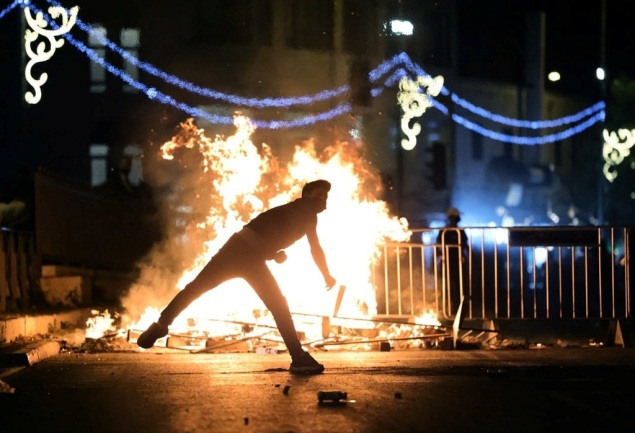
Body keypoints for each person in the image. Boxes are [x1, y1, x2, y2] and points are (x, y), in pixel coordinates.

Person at [137, 179, 337, 375]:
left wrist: (272, 254)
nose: (324, 200)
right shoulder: (306, 212)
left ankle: (161, 324)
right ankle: (298, 357)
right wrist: (325, 274)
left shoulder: (296, 211)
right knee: (278, 307)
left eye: (326, 196)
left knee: (195, 289)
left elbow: (262, 232)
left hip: (240, 251)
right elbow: (314, 248)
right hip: (245, 255)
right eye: (320, 195)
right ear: (306, 196)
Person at [436, 207, 469, 315]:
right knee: (447, 284)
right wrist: (439, 255)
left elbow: (465, 244)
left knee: (457, 285)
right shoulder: (444, 231)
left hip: (457, 260)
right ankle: (446, 307)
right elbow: (438, 245)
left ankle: (456, 308)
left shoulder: (460, 231)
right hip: (448, 261)